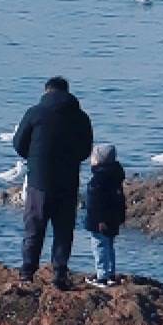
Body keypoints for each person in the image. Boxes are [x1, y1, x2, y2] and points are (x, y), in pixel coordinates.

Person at [12, 73, 95, 287]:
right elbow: (86, 150)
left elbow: (19, 143)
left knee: (34, 226)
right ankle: (59, 274)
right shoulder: (81, 117)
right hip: (67, 181)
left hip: (39, 180)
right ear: (67, 92)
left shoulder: (34, 113)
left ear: (46, 91)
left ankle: (27, 273)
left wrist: (34, 158)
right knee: (63, 229)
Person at [83, 143, 127, 285]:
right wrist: (121, 216)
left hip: (99, 221)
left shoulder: (98, 180)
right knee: (109, 246)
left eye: (93, 156)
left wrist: (99, 220)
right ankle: (110, 273)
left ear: (99, 160)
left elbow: (96, 203)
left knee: (99, 246)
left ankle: (102, 277)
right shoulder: (115, 177)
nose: (91, 159)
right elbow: (120, 199)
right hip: (113, 219)